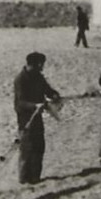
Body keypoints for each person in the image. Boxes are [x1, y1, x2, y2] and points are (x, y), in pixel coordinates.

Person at [13, 52, 62, 185]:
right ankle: (24, 179)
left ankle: (35, 177)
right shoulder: (20, 79)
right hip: (25, 118)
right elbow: (20, 102)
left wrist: (55, 95)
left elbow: (48, 90)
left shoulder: (39, 77)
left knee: (39, 146)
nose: (42, 67)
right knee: (27, 147)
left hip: (37, 117)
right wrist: (34, 105)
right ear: (34, 64)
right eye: (41, 65)